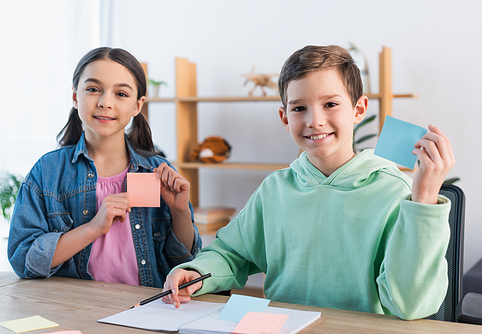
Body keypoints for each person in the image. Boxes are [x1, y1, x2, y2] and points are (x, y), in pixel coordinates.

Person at [162, 45, 455, 320]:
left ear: (359, 109)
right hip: (282, 325)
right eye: (299, 108)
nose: (315, 120)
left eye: (330, 104)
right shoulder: (276, 188)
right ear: (285, 118)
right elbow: (231, 253)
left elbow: (409, 304)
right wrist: (196, 271)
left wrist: (425, 200)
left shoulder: (393, 190)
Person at [8, 47, 201, 288]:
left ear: (137, 105)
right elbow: (23, 261)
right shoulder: (47, 171)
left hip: (145, 307)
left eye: (121, 93)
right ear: (75, 96)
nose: (105, 102)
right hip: (74, 308)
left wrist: (180, 211)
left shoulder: (157, 172)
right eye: (93, 89)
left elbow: (185, 260)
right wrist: (93, 228)